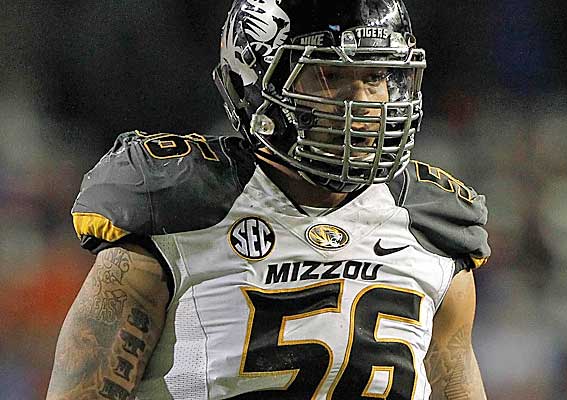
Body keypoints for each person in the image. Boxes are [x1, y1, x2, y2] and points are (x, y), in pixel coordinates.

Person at [47, 0, 490, 399]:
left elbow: (454, 380)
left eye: (374, 76)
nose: (363, 100)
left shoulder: (432, 227)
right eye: (330, 76)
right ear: (255, 86)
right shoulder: (176, 212)